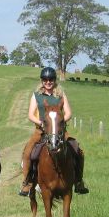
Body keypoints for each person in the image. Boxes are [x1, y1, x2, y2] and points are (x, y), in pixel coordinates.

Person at [19, 66, 89, 196]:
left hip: (60, 131)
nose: (48, 82)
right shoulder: (36, 96)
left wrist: (60, 123)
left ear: (54, 80)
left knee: (77, 148)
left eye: (51, 79)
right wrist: (41, 123)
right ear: (41, 80)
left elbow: (68, 113)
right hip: (41, 130)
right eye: (45, 79)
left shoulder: (61, 95)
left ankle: (78, 181)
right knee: (28, 152)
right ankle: (27, 182)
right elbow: (30, 114)